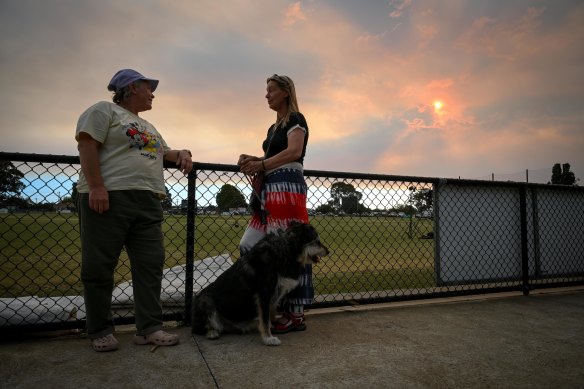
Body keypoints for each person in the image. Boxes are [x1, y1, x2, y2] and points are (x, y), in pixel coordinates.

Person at [75, 69, 193, 352]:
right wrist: (96, 187)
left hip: (148, 200)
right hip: (109, 196)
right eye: (147, 87)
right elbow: (87, 143)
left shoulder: (148, 126)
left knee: (151, 265)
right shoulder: (104, 111)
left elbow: (163, 153)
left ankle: (149, 328)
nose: (152, 93)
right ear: (130, 88)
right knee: (100, 266)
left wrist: (182, 153)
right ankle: (100, 330)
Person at [238, 74, 312, 333]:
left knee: (290, 248)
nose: (266, 95)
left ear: (286, 92)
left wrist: (261, 164)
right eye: (266, 90)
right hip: (270, 190)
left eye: (271, 90)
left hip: (288, 187)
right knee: (249, 244)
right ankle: (269, 303)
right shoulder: (273, 128)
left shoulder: (296, 119)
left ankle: (295, 313)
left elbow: (294, 152)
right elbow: (273, 156)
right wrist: (254, 159)